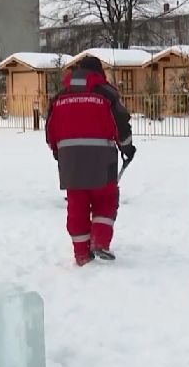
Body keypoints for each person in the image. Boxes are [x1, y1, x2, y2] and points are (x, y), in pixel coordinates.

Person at [45, 55, 135, 266]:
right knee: (105, 199)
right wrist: (127, 147)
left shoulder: (60, 97)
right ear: (98, 73)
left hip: (71, 162)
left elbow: (50, 131)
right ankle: (100, 242)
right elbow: (121, 124)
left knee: (77, 205)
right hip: (102, 161)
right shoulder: (106, 94)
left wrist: (59, 152)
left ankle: (81, 254)